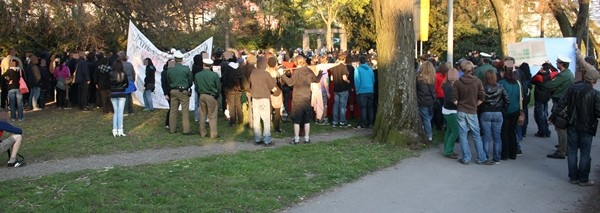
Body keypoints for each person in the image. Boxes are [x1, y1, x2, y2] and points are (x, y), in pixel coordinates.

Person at [549, 52, 600, 186]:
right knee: (585, 153)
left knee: (572, 152)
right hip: (587, 127)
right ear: (594, 81)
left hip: (572, 124)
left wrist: (553, 115)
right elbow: (598, 112)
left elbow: (562, 103)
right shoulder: (596, 94)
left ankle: (573, 177)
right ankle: (583, 179)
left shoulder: (573, 88)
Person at [451, 61, 489, 165]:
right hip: (472, 111)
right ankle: (481, 157)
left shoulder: (457, 82)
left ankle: (466, 158)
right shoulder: (477, 81)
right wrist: (475, 104)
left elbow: (453, 98)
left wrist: (459, 104)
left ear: (462, 69)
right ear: (472, 69)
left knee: (463, 135)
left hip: (461, 110)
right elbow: (482, 97)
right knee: (476, 135)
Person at [281, 55, 322, 144]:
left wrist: (282, 75)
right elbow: (317, 80)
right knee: (306, 120)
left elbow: (290, 83)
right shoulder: (309, 70)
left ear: (296, 62)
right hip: (307, 98)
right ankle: (307, 138)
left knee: (297, 120)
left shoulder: (297, 72)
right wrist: (320, 73)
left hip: (297, 99)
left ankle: (296, 139)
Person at [545, 56, 575, 159]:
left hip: (561, 103)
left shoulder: (563, 75)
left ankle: (561, 151)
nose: (556, 63)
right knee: (564, 127)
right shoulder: (568, 73)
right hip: (564, 102)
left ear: (561, 64)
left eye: (557, 62)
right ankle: (564, 148)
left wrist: (548, 77)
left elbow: (549, 85)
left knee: (560, 127)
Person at [479, 70, 509, 164]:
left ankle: (486, 157)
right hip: (497, 112)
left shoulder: (483, 88)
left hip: (486, 112)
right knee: (497, 137)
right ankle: (497, 158)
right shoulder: (500, 87)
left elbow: (479, 101)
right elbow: (507, 100)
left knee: (486, 137)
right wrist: (502, 110)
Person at [249, 57, 278, 146]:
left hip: (255, 98)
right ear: (264, 65)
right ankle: (267, 139)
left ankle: (257, 138)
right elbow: (273, 88)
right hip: (264, 98)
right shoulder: (266, 74)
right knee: (266, 119)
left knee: (256, 119)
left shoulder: (253, 73)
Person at [498, 63, 522, 160]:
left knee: (504, 132)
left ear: (503, 72)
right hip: (515, 110)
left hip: (505, 110)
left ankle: (505, 154)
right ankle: (513, 153)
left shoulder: (501, 83)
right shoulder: (517, 83)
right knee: (512, 131)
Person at [167, 51, 193, 135]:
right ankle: (186, 130)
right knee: (185, 111)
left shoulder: (170, 69)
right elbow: (190, 80)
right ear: (182, 59)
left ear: (174, 59)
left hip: (173, 90)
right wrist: (187, 86)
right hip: (183, 91)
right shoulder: (186, 68)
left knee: (173, 111)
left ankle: (172, 129)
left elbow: (168, 80)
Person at [195, 58, 221, 138]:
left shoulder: (197, 75)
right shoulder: (214, 75)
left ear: (203, 65)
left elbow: (196, 87)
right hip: (211, 95)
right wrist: (216, 95)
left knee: (202, 115)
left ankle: (202, 133)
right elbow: (218, 87)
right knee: (212, 115)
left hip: (202, 95)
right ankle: (213, 134)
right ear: (211, 66)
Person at [531, 63, 558, 138]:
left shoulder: (539, 77)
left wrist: (539, 71)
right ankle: (546, 131)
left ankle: (542, 131)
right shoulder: (550, 75)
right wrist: (550, 65)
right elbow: (556, 71)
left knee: (539, 115)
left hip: (539, 98)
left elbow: (532, 79)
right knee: (545, 114)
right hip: (546, 97)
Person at [442, 65, 460, 159]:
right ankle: (448, 151)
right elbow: (450, 100)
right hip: (451, 111)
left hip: (447, 110)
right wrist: (458, 104)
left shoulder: (447, 84)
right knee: (455, 131)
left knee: (449, 131)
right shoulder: (450, 86)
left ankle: (447, 149)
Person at [416, 61, 437, 141]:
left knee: (426, 118)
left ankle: (428, 134)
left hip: (422, 100)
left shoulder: (419, 78)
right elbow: (433, 91)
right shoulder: (432, 78)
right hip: (430, 101)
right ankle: (428, 132)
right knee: (429, 117)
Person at [330, 53, 351, 127]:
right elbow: (344, 77)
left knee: (336, 105)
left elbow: (331, 78)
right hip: (343, 88)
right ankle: (342, 121)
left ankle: (335, 121)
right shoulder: (343, 67)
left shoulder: (334, 67)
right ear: (344, 59)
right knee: (342, 106)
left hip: (336, 88)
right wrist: (348, 81)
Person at [221, 54, 243, 126]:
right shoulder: (239, 67)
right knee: (238, 104)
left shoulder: (227, 68)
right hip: (238, 88)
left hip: (230, 88)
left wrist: (225, 86)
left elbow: (224, 78)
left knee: (231, 105)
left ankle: (232, 121)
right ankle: (240, 119)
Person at [355, 56, 375, 129]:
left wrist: (357, 90)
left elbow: (357, 81)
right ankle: (370, 123)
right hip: (370, 90)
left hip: (362, 91)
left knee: (363, 108)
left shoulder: (358, 70)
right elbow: (373, 80)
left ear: (359, 62)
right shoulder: (370, 69)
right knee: (370, 108)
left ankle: (363, 123)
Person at [110, 60, 128, 137]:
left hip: (113, 93)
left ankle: (115, 130)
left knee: (116, 112)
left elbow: (109, 83)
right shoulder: (124, 74)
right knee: (120, 112)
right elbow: (126, 84)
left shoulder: (110, 74)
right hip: (122, 93)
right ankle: (120, 130)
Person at [266, 56, 284, 133]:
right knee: (277, 111)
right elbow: (281, 83)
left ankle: (268, 127)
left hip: (267, 93)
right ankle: (277, 128)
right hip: (276, 93)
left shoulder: (265, 72)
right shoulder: (277, 73)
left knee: (268, 111)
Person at [433, 63, 449, 130]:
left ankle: (439, 126)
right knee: (445, 110)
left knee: (438, 111)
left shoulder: (436, 76)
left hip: (439, 95)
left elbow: (435, 87)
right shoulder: (448, 76)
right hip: (446, 95)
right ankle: (444, 124)